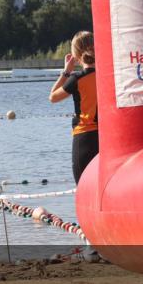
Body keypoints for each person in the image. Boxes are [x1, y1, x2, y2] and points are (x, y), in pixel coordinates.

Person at [49, 31, 98, 184]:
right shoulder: (107, 75)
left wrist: (66, 72)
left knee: (84, 187)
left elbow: (52, 97)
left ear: (76, 55)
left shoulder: (76, 79)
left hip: (84, 138)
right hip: (106, 137)